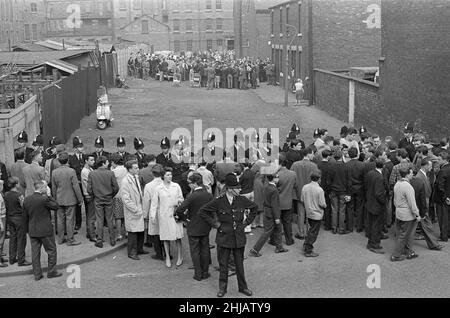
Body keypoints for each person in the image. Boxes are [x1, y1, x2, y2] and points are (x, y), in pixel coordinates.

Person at [199, 173, 257, 298]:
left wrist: (246, 223)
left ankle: (243, 287)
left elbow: (254, 208)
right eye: (237, 188)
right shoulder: (219, 201)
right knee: (223, 264)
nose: (240, 189)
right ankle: (222, 289)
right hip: (224, 237)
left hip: (238, 237)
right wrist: (216, 224)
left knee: (239, 264)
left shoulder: (241, 199)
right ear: (230, 189)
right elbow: (202, 212)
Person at [175, 173, 214, 281]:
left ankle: (198, 274)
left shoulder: (191, 196)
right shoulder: (209, 195)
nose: (189, 185)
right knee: (205, 249)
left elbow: (179, 210)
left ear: (195, 183)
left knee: (195, 251)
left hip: (193, 225)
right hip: (205, 225)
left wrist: (185, 219)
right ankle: (205, 273)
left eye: (190, 183)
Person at [22, 180, 62, 280]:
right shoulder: (44, 199)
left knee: (35, 253)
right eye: (45, 187)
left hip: (33, 230)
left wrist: (27, 230)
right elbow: (56, 206)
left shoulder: (27, 199)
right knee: (51, 250)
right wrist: (49, 196)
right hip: (45, 230)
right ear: (41, 188)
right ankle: (51, 272)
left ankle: (37, 274)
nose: (46, 188)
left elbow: (25, 217)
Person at [149, 167, 184, 268]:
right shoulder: (158, 188)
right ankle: (167, 257)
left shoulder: (176, 186)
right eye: (168, 175)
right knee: (165, 237)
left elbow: (181, 198)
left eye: (171, 175)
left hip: (175, 215)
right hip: (164, 215)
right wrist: (152, 216)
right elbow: (154, 203)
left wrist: (177, 203)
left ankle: (180, 257)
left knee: (178, 237)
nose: (170, 177)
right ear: (163, 176)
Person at [249, 172, 288, 257]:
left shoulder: (267, 186)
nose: (278, 178)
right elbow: (275, 205)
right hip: (272, 213)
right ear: (273, 179)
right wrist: (277, 217)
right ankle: (255, 249)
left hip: (267, 211)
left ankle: (279, 247)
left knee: (277, 229)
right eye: (277, 177)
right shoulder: (274, 190)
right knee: (268, 231)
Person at [51, 152, 83, 246]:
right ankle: (70, 239)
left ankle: (60, 239)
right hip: (70, 199)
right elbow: (76, 186)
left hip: (59, 198)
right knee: (70, 220)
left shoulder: (54, 172)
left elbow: (54, 187)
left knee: (60, 219)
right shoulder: (71, 171)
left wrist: (54, 198)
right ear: (68, 160)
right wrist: (80, 199)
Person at [87, 156, 119, 248]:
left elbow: (89, 189)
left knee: (99, 219)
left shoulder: (92, 174)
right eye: (107, 162)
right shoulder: (110, 173)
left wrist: (94, 195)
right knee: (109, 219)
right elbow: (116, 187)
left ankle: (100, 240)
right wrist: (111, 195)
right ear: (103, 163)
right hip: (108, 199)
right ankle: (112, 239)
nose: (108, 163)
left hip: (98, 199)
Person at [411, 160, 443, 250]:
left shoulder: (423, 175)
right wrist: (423, 208)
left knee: (424, 225)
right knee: (426, 225)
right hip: (423, 204)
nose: (431, 168)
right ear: (424, 166)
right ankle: (434, 244)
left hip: (424, 203)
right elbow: (421, 193)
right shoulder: (419, 177)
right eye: (429, 166)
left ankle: (433, 244)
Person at [391, 167, 421, 261]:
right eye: (411, 173)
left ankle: (409, 252)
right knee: (405, 235)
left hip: (399, 212)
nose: (412, 174)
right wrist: (417, 214)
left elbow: (395, 200)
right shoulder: (408, 186)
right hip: (407, 215)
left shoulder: (397, 184)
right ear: (407, 174)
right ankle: (395, 255)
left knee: (403, 234)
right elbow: (412, 203)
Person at [291, 147, 319, 239]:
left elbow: (292, 178)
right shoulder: (313, 166)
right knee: (310, 213)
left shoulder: (295, 165)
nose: (313, 155)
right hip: (310, 192)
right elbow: (318, 180)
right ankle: (309, 232)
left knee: (301, 213)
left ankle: (301, 232)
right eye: (312, 154)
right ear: (308, 153)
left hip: (299, 192)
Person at [121, 160, 147, 260]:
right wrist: (135, 209)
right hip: (133, 210)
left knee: (140, 231)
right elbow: (126, 199)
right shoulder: (125, 181)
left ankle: (139, 249)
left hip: (139, 208)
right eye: (135, 168)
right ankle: (132, 252)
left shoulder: (136, 177)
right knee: (132, 233)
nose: (138, 169)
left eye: (137, 167)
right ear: (129, 169)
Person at [4, 177, 31, 266]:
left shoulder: (6, 194)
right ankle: (21, 260)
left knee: (13, 238)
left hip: (10, 218)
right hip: (19, 219)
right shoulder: (19, 195)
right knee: (21, 240)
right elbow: (24, 206)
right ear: (16, 185)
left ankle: (12, 258)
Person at [301, 172, 327, 257]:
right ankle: (308, 249)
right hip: (317, 214)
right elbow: (322, 203)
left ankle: (306, 244)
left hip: (308, 212)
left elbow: (302, 199)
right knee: (314, 232)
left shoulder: (305, 187)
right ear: (319, 179)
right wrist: (325, 206)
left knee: (311, 230)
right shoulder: (320, 190)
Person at [143, 164, 165, 260]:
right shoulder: (166, 183)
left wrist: (145, 214)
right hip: (165, 210)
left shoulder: (148, 186)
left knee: (156, 233)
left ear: (152, 173)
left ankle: (159, 254)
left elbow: (146, 201)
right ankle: (167, 253)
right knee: (165, 232)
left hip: (154, 210)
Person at [365, 158, 387, 254]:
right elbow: (379, 193)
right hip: (377, 204)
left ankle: (370, 242)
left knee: (371, 224)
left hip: (370, 202)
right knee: (376, 225)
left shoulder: (370, 173)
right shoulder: (380, 177)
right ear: (383, 166)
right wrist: (383, 201)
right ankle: (374, 244)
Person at [276, 153, 298, 245]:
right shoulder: (293, 174)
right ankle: (289, 240)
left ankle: (277, 241)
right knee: (287, 222)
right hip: (288, 201)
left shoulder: (276, 175)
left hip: (277, 202)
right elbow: (296, 186)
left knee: (277, 223)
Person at [328, 150, 352, 234]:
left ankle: (334, 227)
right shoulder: (346, 167)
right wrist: (349, 193)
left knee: (334, 209)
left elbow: (328, 181)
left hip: (334, 190)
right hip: (343, 191)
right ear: (342, 157)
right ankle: (341, 229)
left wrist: (330, 190)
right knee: (342, 210)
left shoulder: (331, 167)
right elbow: (349, 182)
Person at [346, 147, 366, 232]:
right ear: (357, 154)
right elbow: (364, 178)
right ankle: (359, 227)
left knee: (350, 207)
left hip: (349, 188)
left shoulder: (346, 165)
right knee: (359, 208)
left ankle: (349, 227)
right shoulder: (362, 165)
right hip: (360, 188)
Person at [68, 136, 84, 231]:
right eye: (79, 146)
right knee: (78, 204)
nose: (81, 148)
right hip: (77, 184)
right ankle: (78, 222)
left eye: (82, 146)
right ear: (75, 148)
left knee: (88, 203)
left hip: (85, 184)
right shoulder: (71, 159)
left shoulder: (86, 157)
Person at [110, 153, 127, 241]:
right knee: (126, 215)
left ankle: (119, 234)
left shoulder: (114, 172)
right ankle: (127, 232)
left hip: (117, 196)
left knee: (118, 217)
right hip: (126, 195)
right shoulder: (126, 169)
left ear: (114, 162)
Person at [81, 153, 96, 242]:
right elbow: (91, 184)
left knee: (90, 215)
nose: (93, 162)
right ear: (86, 161)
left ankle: (89, 232)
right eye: (91, 160)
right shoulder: (85, 171)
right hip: (89, 195)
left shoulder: (90, 169)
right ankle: (92, 235)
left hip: (89, 195)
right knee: (91, 216)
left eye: (93, 160)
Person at [435, 151, 450, 242]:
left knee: (443, 218)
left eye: (439, 159)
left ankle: (444, 236)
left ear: (444, 160)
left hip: (442, 199)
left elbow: (440, 186)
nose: (437, 160)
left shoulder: (443, 171)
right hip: (448, 196)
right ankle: (448, 233)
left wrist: (445, 197)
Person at [0, 180, 8, 267]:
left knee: (2, 240)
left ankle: (1, 257)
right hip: (1, 219)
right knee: (0, 240)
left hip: (3, 217)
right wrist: (1, 224)